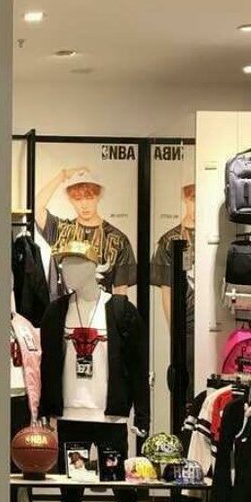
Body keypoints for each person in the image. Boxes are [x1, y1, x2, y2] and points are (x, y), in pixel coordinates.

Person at [35, 166, 137, 295]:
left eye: (89, 197)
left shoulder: (117, 239)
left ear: (98, 197)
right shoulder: (61, 230)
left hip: (100, 306)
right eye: (78, 199)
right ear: (71, 200)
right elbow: (36, 208)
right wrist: (62, 175)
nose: (84, 205)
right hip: (63, 306)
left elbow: (120, 292)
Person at [151, 182, 196, 392]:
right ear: (185, 199)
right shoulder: (169, 240)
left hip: (212, 322)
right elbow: (166, 291)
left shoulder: (211, 238)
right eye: (193, 198)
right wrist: (175, 331)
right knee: (185, 385)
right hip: (186, 324)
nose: (196, 205)